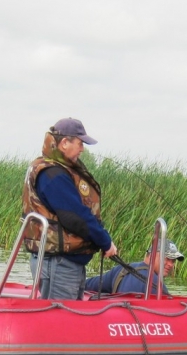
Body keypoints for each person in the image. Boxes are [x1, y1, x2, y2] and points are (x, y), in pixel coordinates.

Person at [22, 117, 117, 300]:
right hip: (58, 265)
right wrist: (105, 241)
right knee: (60, 321)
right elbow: (75, 217)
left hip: (65, 263)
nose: (82, 149)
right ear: (64, 143)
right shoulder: (53, 174)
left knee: (68, 318)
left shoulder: (53, 168)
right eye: (80, 143)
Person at [85, 240, 184, 296]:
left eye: (173, 261)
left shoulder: (121, 270)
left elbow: (87, 285)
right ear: (152, 255)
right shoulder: (155, 282)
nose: (171, 264)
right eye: (167, 259)